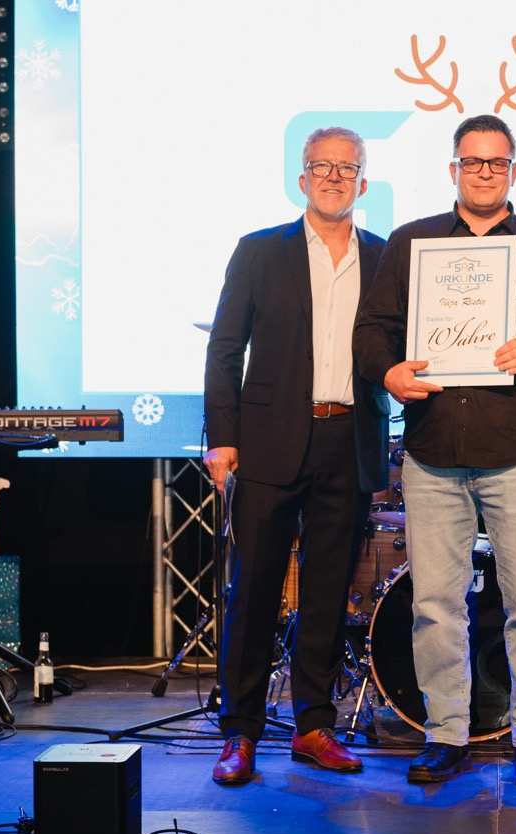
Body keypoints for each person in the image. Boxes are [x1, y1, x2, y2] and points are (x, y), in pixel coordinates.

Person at [352, 114, 516, 787]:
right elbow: (372, 330)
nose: (485, 172)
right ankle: (445, 734)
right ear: (453, 169)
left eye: (497, 162)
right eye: (473, 162)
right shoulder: (412, 242)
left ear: (514, 171)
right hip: (433, 453)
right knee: (435, 605)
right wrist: (389, 371)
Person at [203, 127, 389, 785]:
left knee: (328, 593)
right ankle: (240, 732)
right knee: (253, 591)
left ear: (363, 182)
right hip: (268, 439)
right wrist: (222, 437)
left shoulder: (385, 257)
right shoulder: (259, 251)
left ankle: (314, 726)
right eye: (322, 166)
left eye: (347, 167)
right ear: (302, 178)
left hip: (349, 438)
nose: (335, 177)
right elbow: (225, 348)